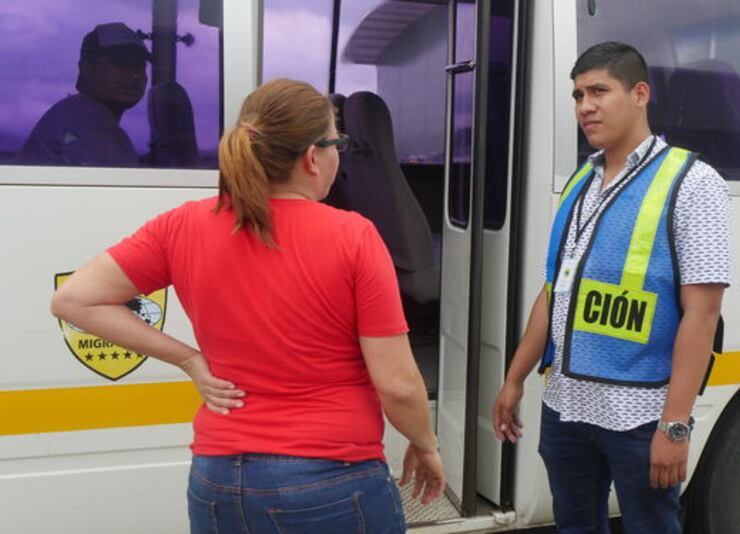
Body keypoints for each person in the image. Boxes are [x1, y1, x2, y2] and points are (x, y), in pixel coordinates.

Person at [51, 78, 445, 533]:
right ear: (312, 157)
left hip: (217, 480)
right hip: (328, 479)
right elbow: (397, 384)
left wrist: (189, 360)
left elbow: (73, 299)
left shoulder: (182, 225)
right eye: (337, 143)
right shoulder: (353, 236)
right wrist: (425, 443)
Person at [492, 42, 731, 533]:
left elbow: (703, 314)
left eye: (599, 91)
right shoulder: (581, 181)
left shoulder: (694, 182)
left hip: (639, 414)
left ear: (639, 94)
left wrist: (675, 425)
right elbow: (554, 291)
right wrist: (514, 379)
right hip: (566, 406)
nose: (585, 106)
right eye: (578, 95)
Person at [18, 22, 197, 167]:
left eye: (139, 66)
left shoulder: (81, 117)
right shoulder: (84, 123)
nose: (135, 76)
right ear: (87, 69)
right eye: (121, 64)